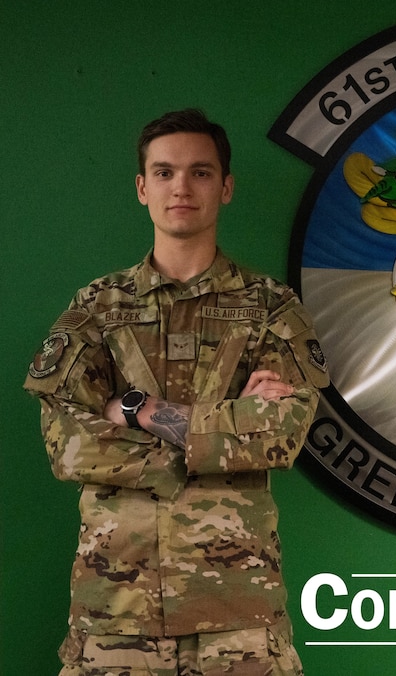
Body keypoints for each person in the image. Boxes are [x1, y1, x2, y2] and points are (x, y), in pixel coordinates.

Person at [24, 108, 329, 675]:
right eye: (164, 173)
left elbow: (280, 435)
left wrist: (135, 409)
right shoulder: (98, 307)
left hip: (237, 616)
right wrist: (223, 429)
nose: (181, 187)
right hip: (114, 613)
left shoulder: (271, 308)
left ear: (227, 186)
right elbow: (64, 439)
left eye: (201, 172)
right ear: (142, 188)